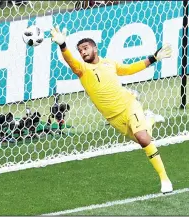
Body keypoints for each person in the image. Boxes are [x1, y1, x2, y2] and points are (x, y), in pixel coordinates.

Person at [50, 25, 173, 193]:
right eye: (80, 50)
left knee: (143, 139)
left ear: (95, 48)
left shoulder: (109, 63)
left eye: (85, 48)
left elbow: (129, 69)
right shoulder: (83, 70)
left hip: (129, 105)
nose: (83, 52)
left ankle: (165, 179)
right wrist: (63, 46)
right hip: (114, 118)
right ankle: (149, 118)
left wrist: (153, 58)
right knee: (145, 140)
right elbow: (71, 61)